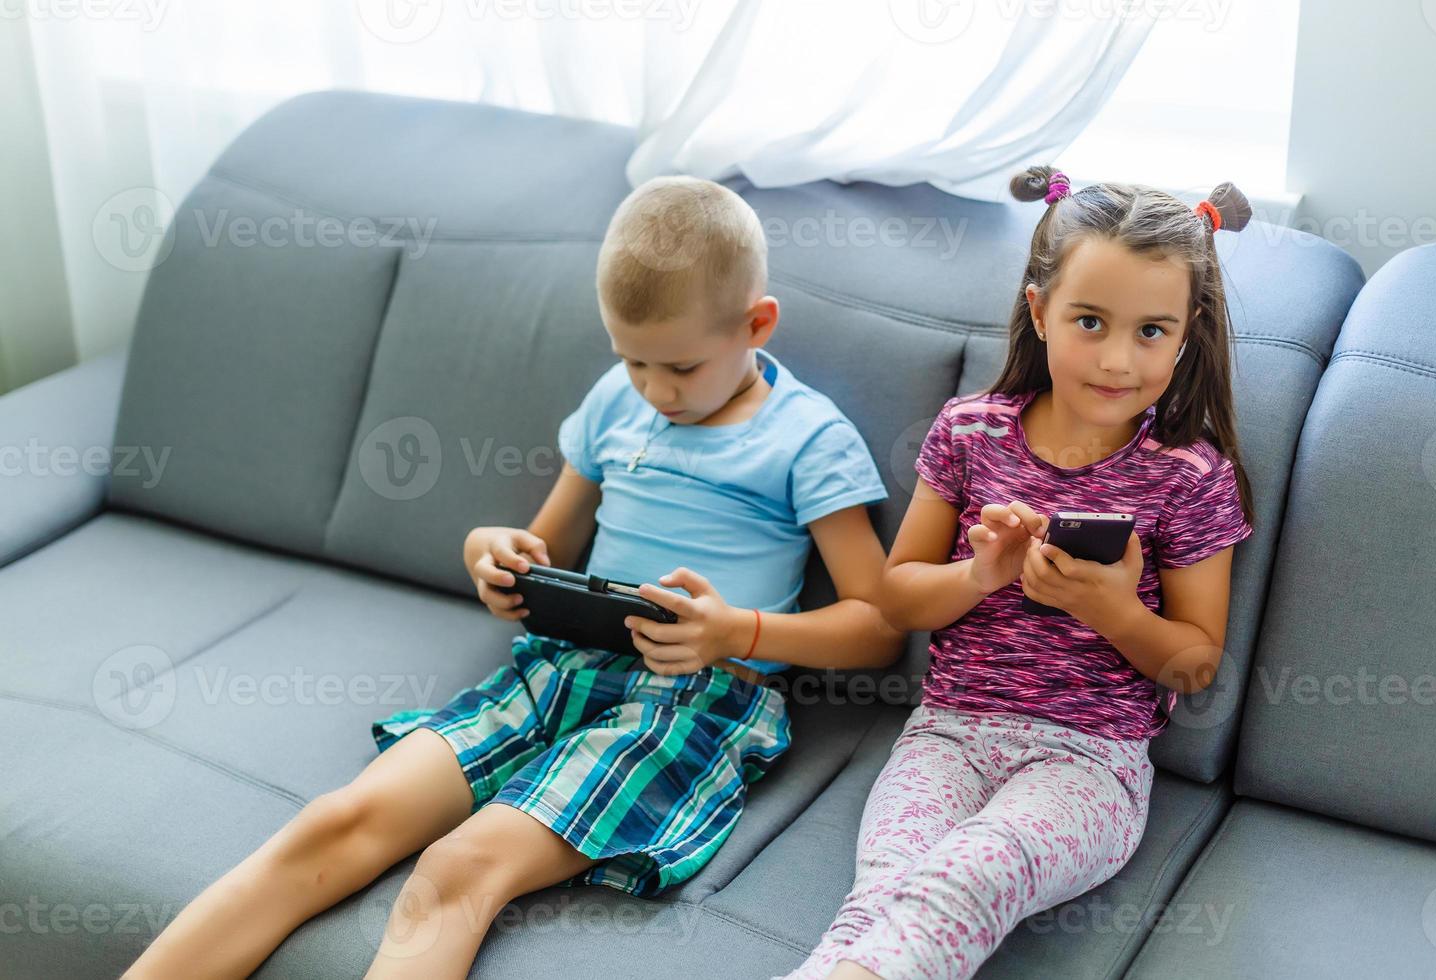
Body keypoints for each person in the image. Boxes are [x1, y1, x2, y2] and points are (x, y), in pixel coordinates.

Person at [126, 175, 903, 980]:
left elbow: (880, 630)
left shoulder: (808, 438)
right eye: (631, 359)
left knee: (458, 869)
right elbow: (545, 546)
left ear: (757, 323)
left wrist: (734, 630)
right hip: (558, 668)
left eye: (678, 365)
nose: (654, 391)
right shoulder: (618, 403)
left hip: (696, 698)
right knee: (333, 821)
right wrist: (495, 555)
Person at [784, 166, 1257, 979]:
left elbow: (1194, 662)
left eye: (1151, 331)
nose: (1117, 359)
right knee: (882, 901)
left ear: (1187, 334)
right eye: (1089, 321)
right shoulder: (971, 434)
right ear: (1040, 312)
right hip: (947, 738)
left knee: (967, 879)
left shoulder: (1189, 475)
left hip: (1090, 762)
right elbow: (896, 598)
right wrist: (979, 574)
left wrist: (1112, 609)